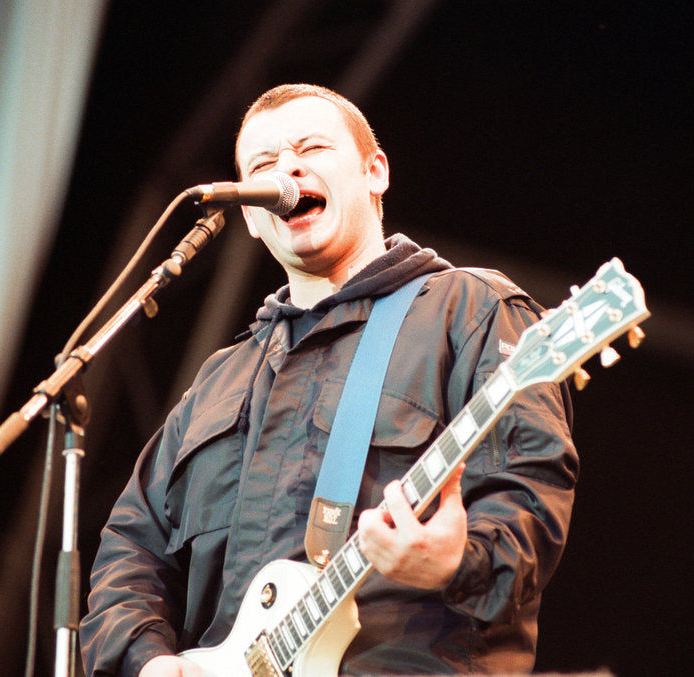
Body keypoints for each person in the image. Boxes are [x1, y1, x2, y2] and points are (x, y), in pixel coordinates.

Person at [80, 84, 578, 676]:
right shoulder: (220, 378)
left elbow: (530, 487)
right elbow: (131, 548)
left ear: (375, 172)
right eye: (263, 165)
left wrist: (457, 563)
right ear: (252, 219)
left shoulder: (470, 310)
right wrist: (147, 661)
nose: (286, 168)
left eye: (311, 148)